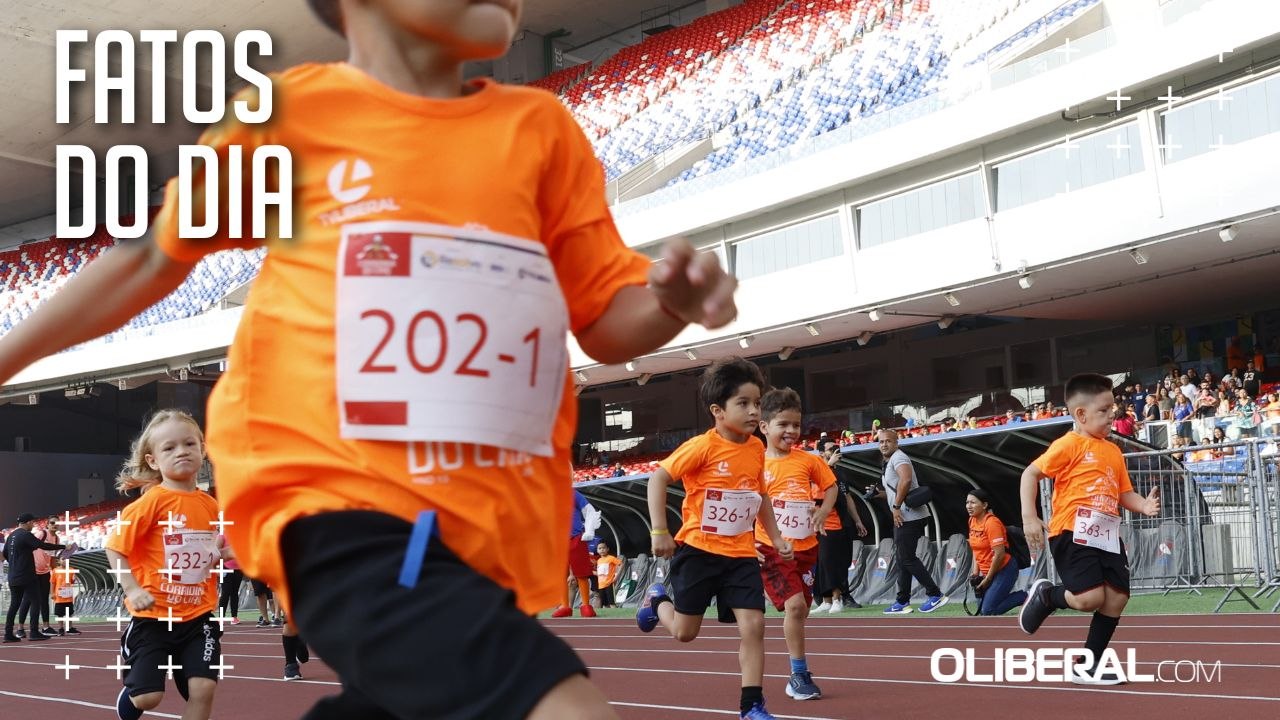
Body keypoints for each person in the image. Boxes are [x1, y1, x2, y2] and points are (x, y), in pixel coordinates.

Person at [0, 0, 743, 716]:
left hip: (476, 520)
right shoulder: (294, 115)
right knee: (557, 706)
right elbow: (146, 260)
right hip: (327, 495)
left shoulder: (540, 131)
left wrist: (671, 302)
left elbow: (606, 321)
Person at [637, 358, 793, 720]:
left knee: (754, 624)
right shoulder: (701, 447)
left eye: (757, 403)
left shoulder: (756, 448)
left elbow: (761, 497)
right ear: (717, 411)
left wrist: (776, 537)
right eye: (744, 403)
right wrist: (659, 530)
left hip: (740, 553)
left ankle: (751, 705)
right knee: (684, 632)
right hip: (699, 551)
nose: (754, 411)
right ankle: (658, 599)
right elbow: (658, 479)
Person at [1018, 373, 1161, 685]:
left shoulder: (1113, 451)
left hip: (1107, 534)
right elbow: (1030, 474)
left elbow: (1123, 492)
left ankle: (1088, 665)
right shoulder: (1068, 445)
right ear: (1080, 415)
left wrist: (1143, 505)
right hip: (1072, 531)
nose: (1113, 414)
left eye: (1113, 408)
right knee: (1088, 599)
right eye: (1104, 410)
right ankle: (1047, 596)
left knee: (1117, 599)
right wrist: (1030, 517)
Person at [106, 410, 227, 720]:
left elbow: (208, 553)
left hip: (198, 616)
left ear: (203, 449)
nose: (182, 451)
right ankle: (132, 697)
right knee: (149, 698)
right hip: (153, 617)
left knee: (203, 689)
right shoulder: (150, 503)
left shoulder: (211, 505)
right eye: (169, 448)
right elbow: (114, 549)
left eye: (189, 444)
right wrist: (132, 590)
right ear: (153, 461)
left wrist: (221, 554)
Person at [754, 388, 837, 702]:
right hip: (771, 547)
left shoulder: (808, 460)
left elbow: (831, 487)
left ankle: (797, 669)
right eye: (783, 425)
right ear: (764, 427)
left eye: (796, 425)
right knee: (796, 606)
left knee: (801, 612)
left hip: (806, 548)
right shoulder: (756, 464)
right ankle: (799, 674)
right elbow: (750, 506)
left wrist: (824, 510)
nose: (791, 431)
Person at [871, 429, 947, 614]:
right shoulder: (889, 461)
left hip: (909, 516)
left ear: (897, 442)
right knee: (902, 558)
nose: (884, 444)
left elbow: (905, 481)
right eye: (881, 442)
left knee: (907, 558)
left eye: (888, 441)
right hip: (905, 515)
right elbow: (896, 489)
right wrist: (878, 494)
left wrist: (896, 507)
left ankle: (936, 595)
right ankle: (902, 601)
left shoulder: (899, 458)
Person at [813, 440, 866, 613]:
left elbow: (847, 497)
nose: (836, 451)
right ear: (821, 453)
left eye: (837, 448)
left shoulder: (841, 473)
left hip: (842, 524)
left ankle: (837, 598)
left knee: (839, 562)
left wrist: (857, 520)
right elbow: (816, 495)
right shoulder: (816, 470)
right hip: (824, 524)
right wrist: (828, 466)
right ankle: (828, 600)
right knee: (825, 562)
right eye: (831, 449)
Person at [4, 513, 66, 642]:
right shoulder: (26, 535)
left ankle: (8, 634)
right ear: (27, 523)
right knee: (36, 601)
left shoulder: (11, 536)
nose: (33, 525)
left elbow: (5, 554)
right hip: (27, 576)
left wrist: (16, 564)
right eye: (32, 523)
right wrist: (63, 546)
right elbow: (43, 545)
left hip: (13, 576)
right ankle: (34, 632)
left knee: (14, 605)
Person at [965, 489, 1026, 616]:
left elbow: (999, 555)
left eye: (973, 503)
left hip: (1004, 568)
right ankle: (998, 595)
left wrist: (988, 579)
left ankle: (1026, 596)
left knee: (988, 611)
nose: (969, 506)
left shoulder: (992, 523)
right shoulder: (972, 521)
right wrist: (975, 573)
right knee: (982, 608)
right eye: (967, 502)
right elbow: (976, 549)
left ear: (984, 505)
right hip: (987, 570)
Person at [550, 490, 598, 618]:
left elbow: (588, 510)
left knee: (581, 573)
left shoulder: (573, 494)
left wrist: (589, 529)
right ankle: (565, 606)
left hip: (576, 537)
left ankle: (586, 605)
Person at [216, 535, 244, 625]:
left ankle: (234, 617)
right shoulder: (222, 535)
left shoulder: (239, 534)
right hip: (225, 568)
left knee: (235, 593)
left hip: (238, 568)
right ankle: (221, 617)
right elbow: (216, 551)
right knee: (225, 592)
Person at [50, 558, 81, 635]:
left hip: (68, 596)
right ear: (59, 561)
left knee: (69, 613)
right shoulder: (55, 570)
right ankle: (61, 628)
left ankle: (69, 628)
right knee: (59, 613)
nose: (65, 561)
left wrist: (74, 579)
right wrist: (52, 593)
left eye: (67, 559)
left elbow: (72, 581)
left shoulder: (71, 570)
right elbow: (52, 582)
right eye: (63, 559)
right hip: (59, 596)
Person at [593, 542, 622, 609]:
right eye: (600, 548)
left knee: (612, 603)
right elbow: (599, 573)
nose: (602, 550)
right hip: (601, 585)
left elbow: (621, 564)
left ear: (607, 549)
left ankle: (616, 617)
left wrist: (617, 576)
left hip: (609, 583)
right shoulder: (599, 560)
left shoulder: (611, 558)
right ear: (597, 550)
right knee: (604, 604)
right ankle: (607, 618)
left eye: (603, 548)